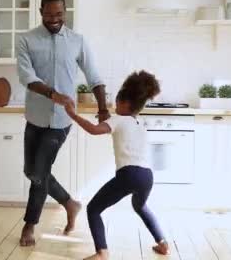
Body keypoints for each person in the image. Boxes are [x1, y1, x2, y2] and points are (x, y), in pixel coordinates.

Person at [16, 0, 109, 246]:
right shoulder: (26, 39)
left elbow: (94, 76)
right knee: (31, 170)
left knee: (39, 172)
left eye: (59, 14)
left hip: (61, 122)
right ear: (41, 13)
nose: (54, 19)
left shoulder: (77, 40)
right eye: (48, 14)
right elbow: (26, 76)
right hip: (35, 117)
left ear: (65, 12)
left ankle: (29, 226)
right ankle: (70, 203)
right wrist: (53, 94)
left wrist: (102, 108)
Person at [64, 71, 169, 260]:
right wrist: (105, 115)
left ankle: (102, 252)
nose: (113, 108)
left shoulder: (118, 119)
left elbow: (95, 129)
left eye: (116, 104)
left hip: (129, 174)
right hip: (147, 176)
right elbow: (112, 124)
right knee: (140, 206)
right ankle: (162, 242)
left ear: (124, 104)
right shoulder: (140, 122)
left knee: (93, 209)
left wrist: (73, 114)